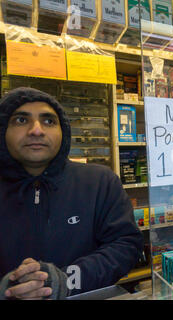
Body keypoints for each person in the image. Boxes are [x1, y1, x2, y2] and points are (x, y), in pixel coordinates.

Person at [0, 87, 144, 300]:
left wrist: (65, 281)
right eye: (21, 120)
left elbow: (126, 246)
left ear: (63, 132)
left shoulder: (100, 181)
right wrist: (8, 287)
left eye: (49, 121)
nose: (36, 130)